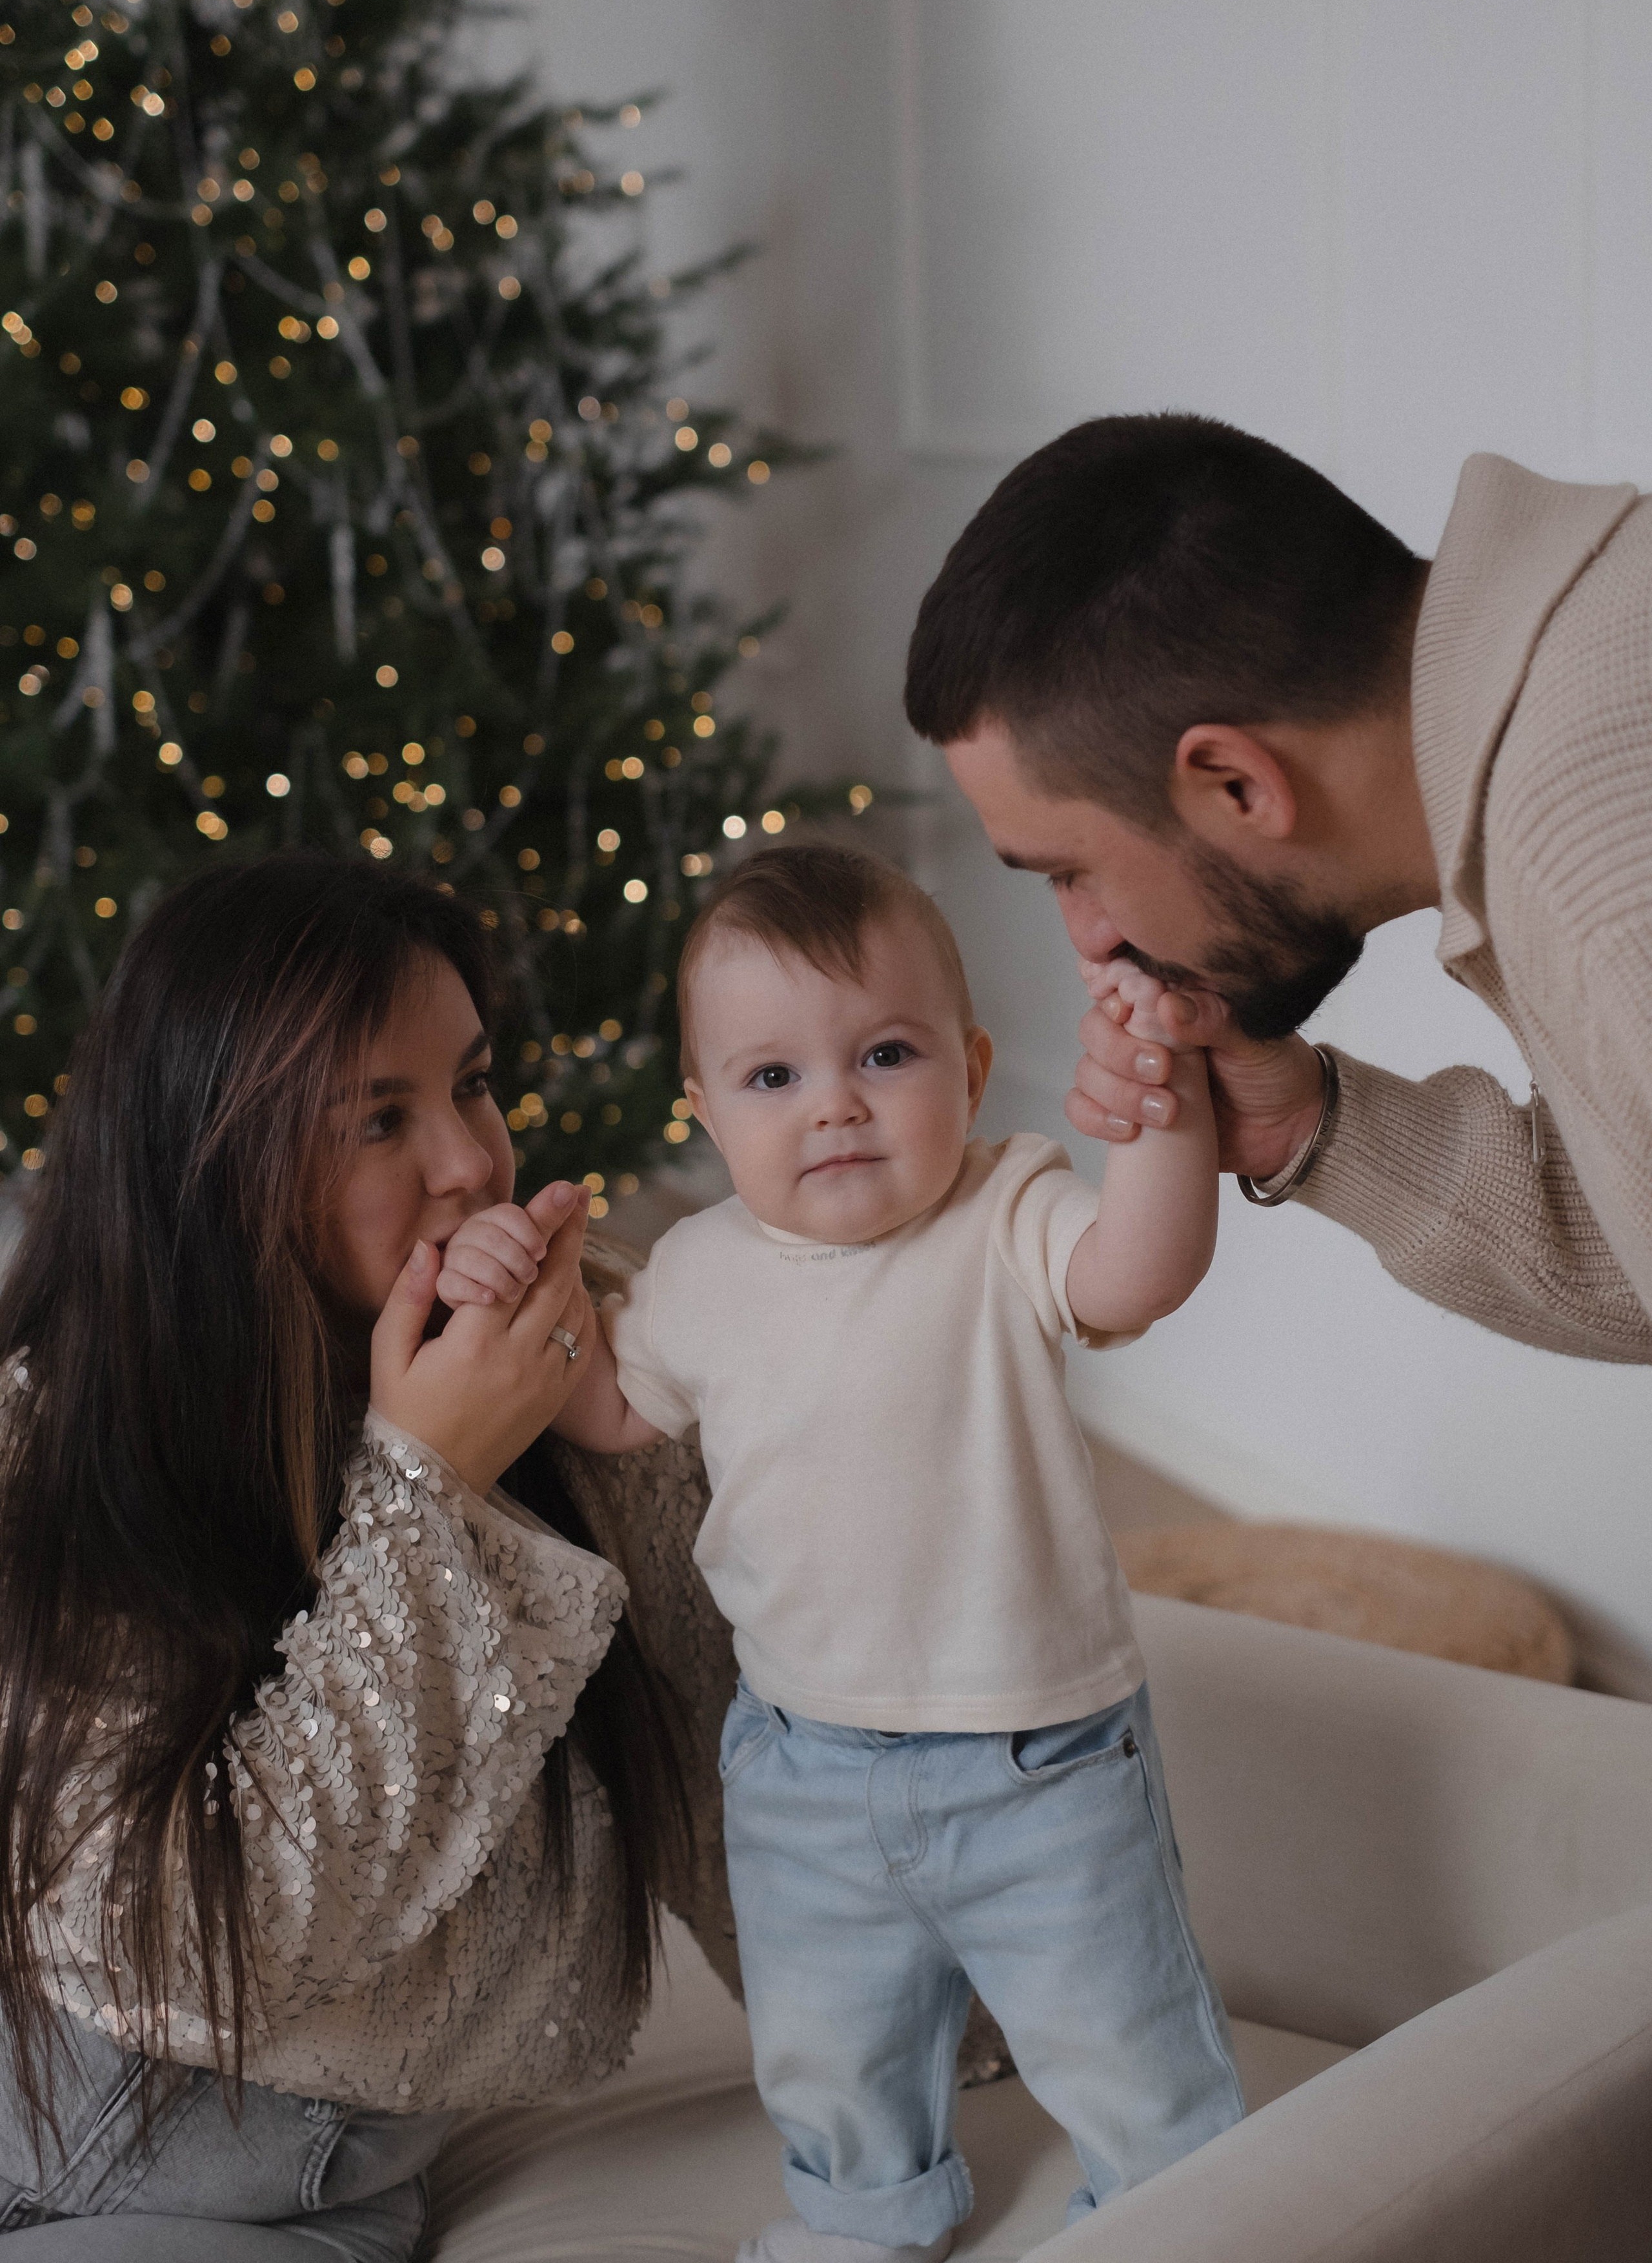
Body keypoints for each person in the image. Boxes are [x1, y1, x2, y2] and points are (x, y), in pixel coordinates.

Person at [437, 843, 1245, 2263]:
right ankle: (864, 2214)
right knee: (828, 2041)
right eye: (772, 1079)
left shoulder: (1004, 1215)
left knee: (1117, 2025)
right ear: (708, 1109)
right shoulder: (697, 1270)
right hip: (801, 1763)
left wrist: (1163, 1122)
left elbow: (1138, 1271)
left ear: (970, 1066)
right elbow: (613, 1407)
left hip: (1035, 1759)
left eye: (882, 1054)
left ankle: (1173, 2208)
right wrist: (506, 1286)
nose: (835, 1108)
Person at [0, 851, 735, 2258]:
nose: (472, 1159)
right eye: (377, 1120)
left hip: (296, 2194)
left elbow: (729, 1752)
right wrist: (428, 1490)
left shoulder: (574, 1368)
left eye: (469, 1081)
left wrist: (931, 2048)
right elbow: (195, 1950)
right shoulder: (58, 1444)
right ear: (214, 1170)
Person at [905, 412, 1652, 1365]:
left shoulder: (1601, 880)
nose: (1090, 938)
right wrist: (1311, 1124)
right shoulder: (1588, 638)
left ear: (1237, 786)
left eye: (1070, 872)